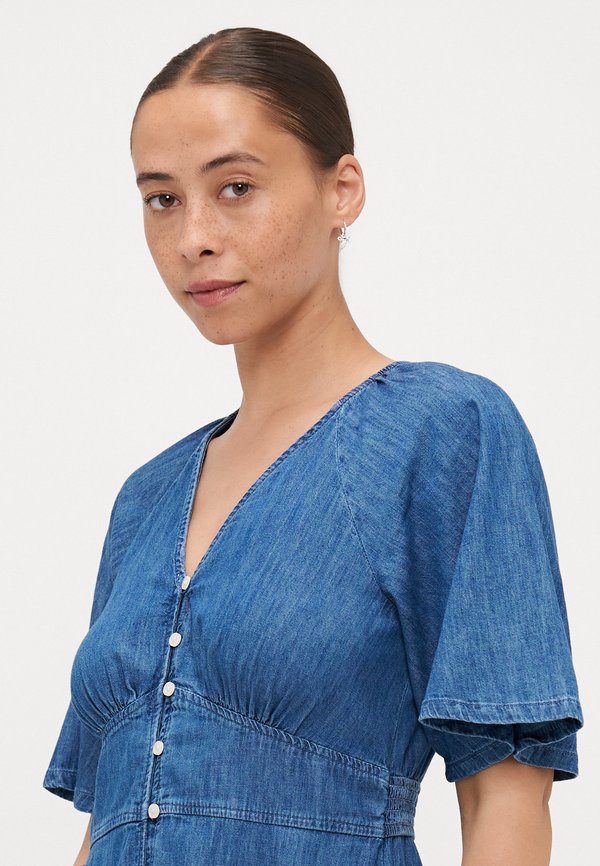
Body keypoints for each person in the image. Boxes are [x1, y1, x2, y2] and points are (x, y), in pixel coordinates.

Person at [42, 26, 584, 866]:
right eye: (163, 199)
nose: (193, 238)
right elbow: (109, 816)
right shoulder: (145, 500)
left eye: (235, 187)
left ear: (343, 190)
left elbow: (505, 797)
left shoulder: (444, 431)